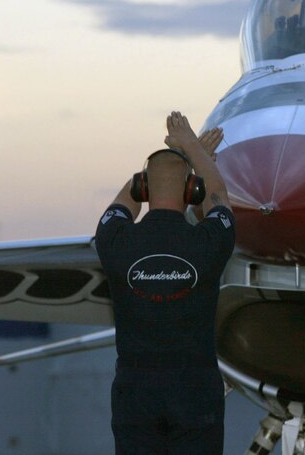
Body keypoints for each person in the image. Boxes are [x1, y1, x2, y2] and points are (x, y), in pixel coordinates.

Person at [95, 111, 235, 455]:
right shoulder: (207, 244)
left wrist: (173, 165)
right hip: (195, 389)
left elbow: (122, 204)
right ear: (192, 190)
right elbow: (218, 194)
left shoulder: (114, 239)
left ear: (143, 187)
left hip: (135, 391)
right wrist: (192, 151)